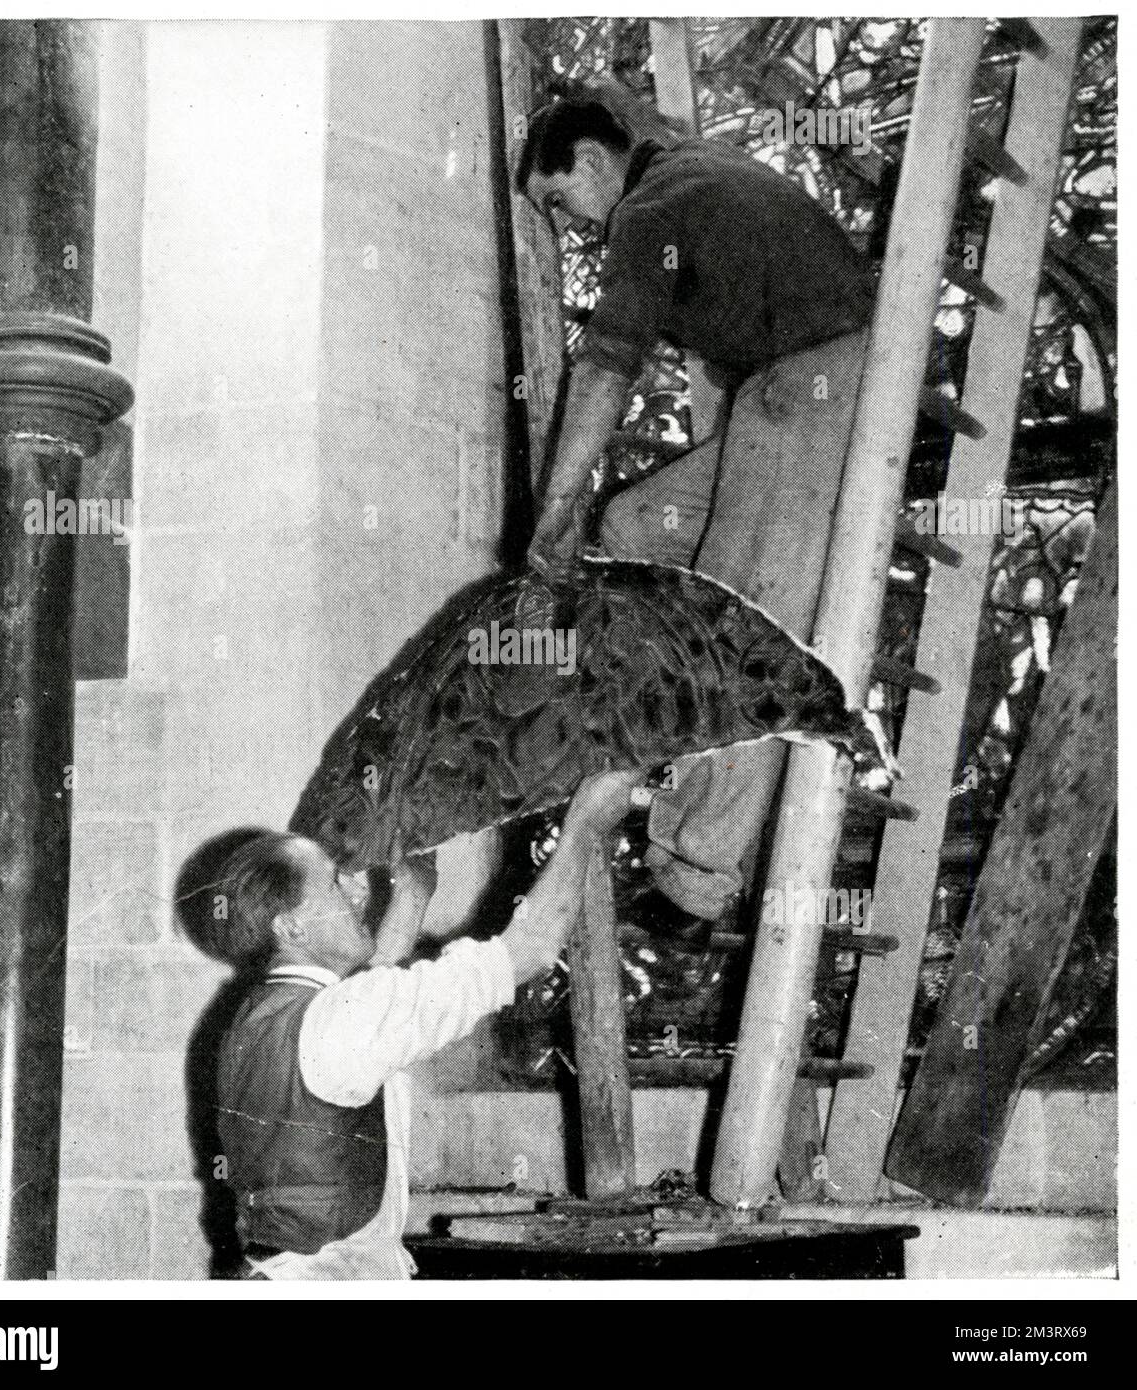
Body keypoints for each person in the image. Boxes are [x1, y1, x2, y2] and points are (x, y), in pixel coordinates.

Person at [516, 90, 876, 918]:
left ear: (593, 161)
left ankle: (696, 870)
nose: (568, 227)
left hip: (817, 392)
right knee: (634, 527)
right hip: (790, 391)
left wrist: (555, 506)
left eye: (560, 202)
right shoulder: (693, 170)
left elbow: (607, 368)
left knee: (733, 622)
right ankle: (645, 714)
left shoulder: (648, 210)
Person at [189, 768, 645, 1279]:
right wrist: (586, 822)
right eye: (333, 883)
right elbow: (531, 950)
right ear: (290, 926)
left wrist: (413, 892)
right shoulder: (341, 1021)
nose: (357, 888)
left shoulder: (255, 1019)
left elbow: (367, 1013)